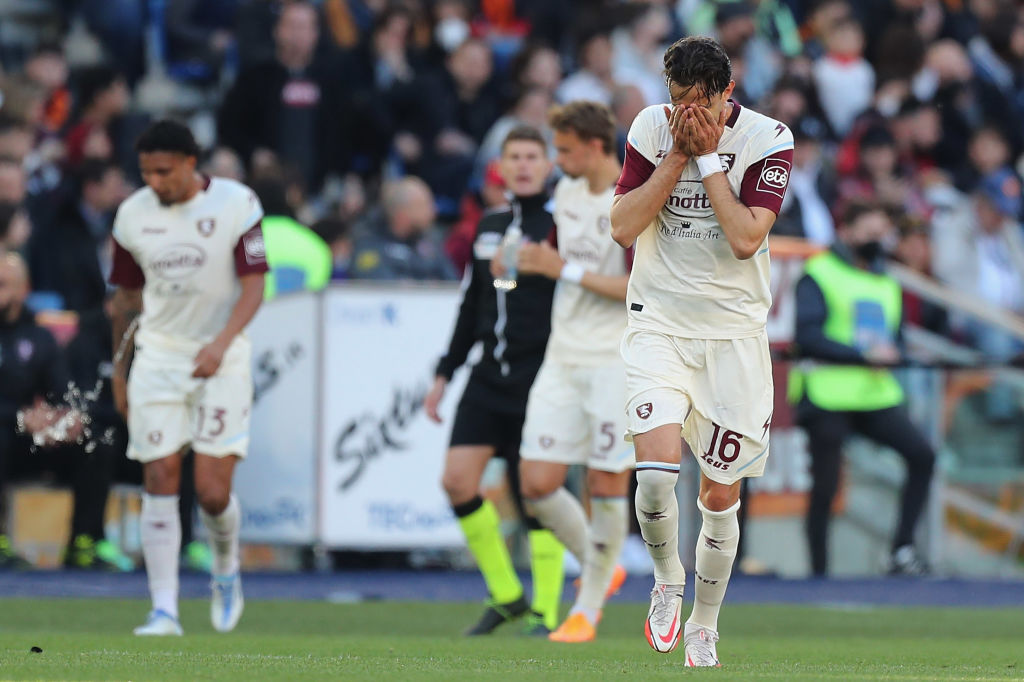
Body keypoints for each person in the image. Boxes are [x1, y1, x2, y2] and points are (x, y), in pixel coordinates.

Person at [609, 37, 793, 665]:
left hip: (734, 337)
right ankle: (665, 580)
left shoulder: (769, 139)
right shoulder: (650, 127)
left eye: (700, 106)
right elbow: (622, 227)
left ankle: (705, 623)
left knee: (719, 496)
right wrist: (675, 159)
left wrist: (709, 160)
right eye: (677, 102)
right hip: (658, 322)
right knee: (657, 477)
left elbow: (746, 239)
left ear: (727, 96)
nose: (686, 117)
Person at [108, 120, 267, 636]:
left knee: (213, 494)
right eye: (146, 172)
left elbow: (253, 288)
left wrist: (220, 345)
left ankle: (225, 569)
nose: (155, 181)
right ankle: (163, 609)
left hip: (223, 354)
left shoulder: (236, 205)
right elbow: (127, 301)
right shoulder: (132, 216)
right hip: (159, 356)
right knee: (158, 475)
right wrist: (120, 367)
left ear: (189, 164)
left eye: (164, 171)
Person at [423, 126, 564, 636]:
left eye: (533, 156)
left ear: (549, 165)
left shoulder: (560, 225)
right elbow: (471, 306)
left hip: (540, 377)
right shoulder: (489, 226)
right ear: (499, 168)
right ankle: (507, 594)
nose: (524, 165)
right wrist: (445, 373)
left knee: (536, 494)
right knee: (457, 481)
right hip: (487, 377)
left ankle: (548, 610)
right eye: (515, 157)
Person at [514, 101, 633, 643]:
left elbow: (638, 289)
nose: (556, 161)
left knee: (607, 480)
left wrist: (564, 269)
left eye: (564, 150)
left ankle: (585, 609)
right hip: (563, 355)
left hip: (614, 358)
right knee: (537, 482)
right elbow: (557, 259)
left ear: (595, 145)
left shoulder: (632, 200)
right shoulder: (565, 194)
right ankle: (601, 564)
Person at [791, 201, 936, 576]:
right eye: (868, 234)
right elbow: (807, 335)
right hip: (829, 391)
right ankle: (818, 573)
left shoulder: (886, 281)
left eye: (880, 235)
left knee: (922, 455)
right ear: (847, 233)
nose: (875, 242)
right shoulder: (819, 272)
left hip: (874, 392)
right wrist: (861, 355)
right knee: (825, 486)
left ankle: (902, 550)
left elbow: (896, 337)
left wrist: (895, 352)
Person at [0, 252, 114, 571]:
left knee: (94, 442)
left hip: (32, 436)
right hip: (8, 431)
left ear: (24, 289)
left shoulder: (40, 338)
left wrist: (65, 418)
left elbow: (63, 390)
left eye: (3, 285)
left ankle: (83, 542)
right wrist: (20, 417)